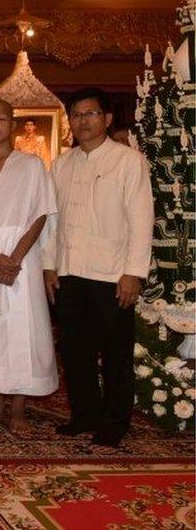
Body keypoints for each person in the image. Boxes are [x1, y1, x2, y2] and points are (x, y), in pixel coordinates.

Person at [43, 88, 154, 447]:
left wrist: (133, 272)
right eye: (76, 115)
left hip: (112, 274)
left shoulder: (127, 161)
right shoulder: (62, 164)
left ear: (107, 118)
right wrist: (49, 266)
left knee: (115, 353)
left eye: (90, 114)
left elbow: (141, 220)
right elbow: (51, 222)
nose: (82, 121)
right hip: (70, 272)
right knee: (76, 350)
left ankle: (114, 422)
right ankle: (84, 414)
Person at [0, 99, 58, 433]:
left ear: (12, 124)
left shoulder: (31, 165)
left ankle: (18, 409)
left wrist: (15, 257)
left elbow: (41, 214)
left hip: (23, 258)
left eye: (1, 119)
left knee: (22, 330)